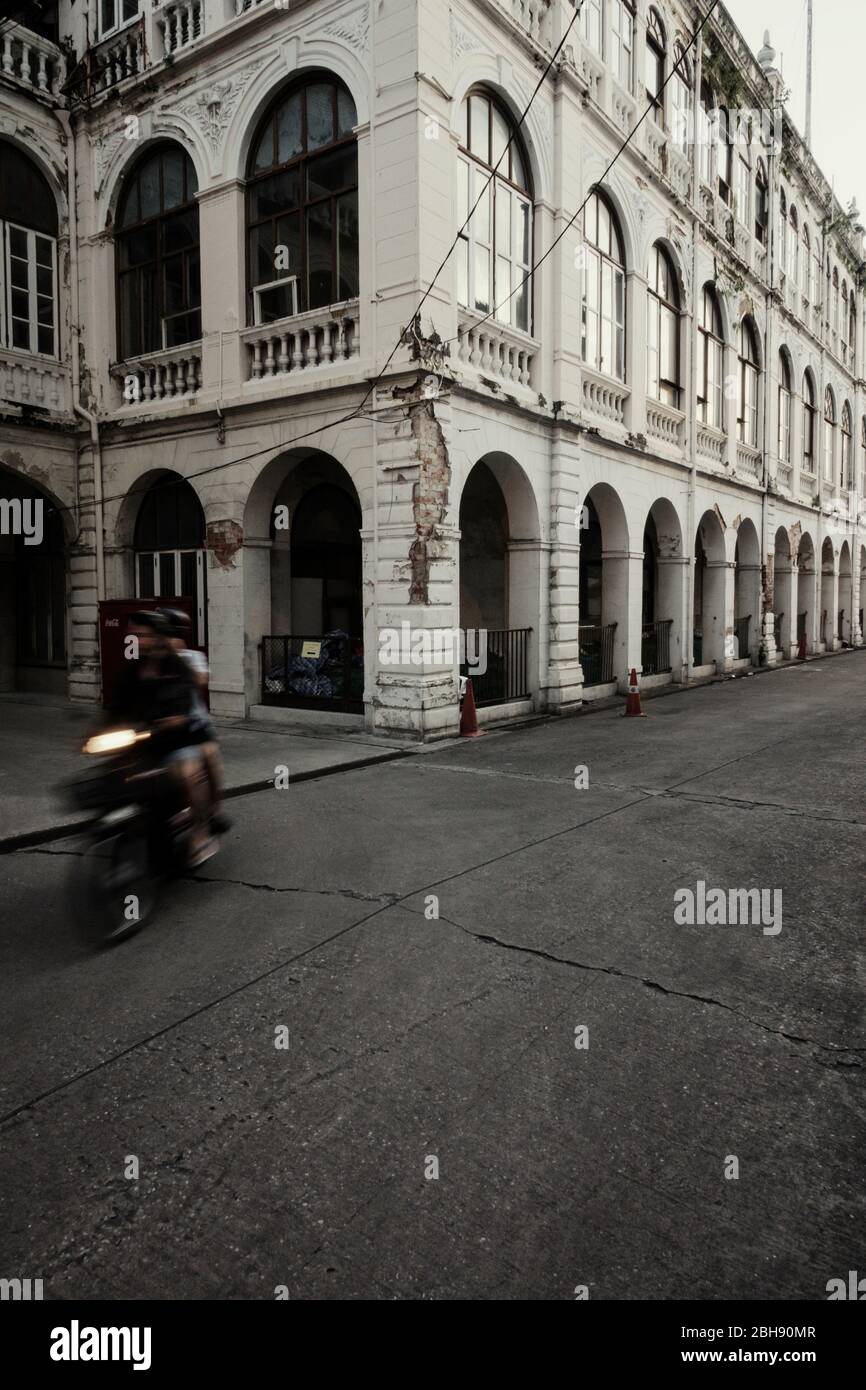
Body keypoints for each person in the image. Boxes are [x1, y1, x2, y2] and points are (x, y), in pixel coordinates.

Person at [105, 610, 217, 868]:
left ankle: (201, 832)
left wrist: (171, 719)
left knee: (189, 774)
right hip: (144, 742)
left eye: (143, 635)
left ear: (157, 637)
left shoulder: (177, 666)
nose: (137, 640)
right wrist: (97, 732)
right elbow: (117, 706)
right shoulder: (132, 670)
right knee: (112, 778)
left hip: (178, 739)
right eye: (134, 635)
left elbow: (186, 700)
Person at [158, 608, 231, 836]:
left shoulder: (193, 657)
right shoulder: (152, 661)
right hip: (161, 726)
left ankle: (214, 812)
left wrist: (176, 657)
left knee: (210, 758)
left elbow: (199, 680)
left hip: (196, 723)